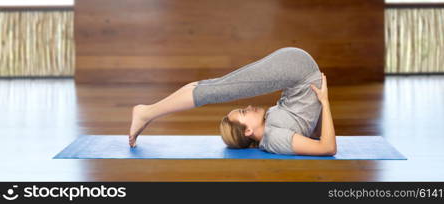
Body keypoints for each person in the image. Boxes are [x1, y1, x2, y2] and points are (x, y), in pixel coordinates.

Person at [129, 47, 336, 156]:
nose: (248, 107)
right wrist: (324, 102)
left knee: (214, 88)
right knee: (214, 90)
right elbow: (325, 146)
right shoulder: (273, 138)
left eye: (243, 110)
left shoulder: (269, 124)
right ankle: (145, 113)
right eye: (244, 113)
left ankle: (147, 112)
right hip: (298, 69)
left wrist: (320, 102)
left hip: (297, 70)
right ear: (248, 132)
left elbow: (311, 129)